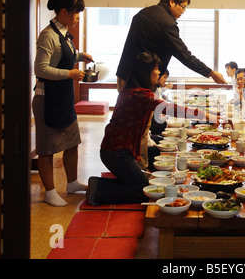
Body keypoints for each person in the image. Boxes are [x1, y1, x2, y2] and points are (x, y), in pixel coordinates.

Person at [86, 52, 217, 205]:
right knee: (144, 192)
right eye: (155, 69)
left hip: (116, 151)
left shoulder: (132, 91)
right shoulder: (141, 95)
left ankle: (98, 185)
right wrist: (206, 115)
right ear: (145, 72)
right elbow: (172, 109)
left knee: (145, 186)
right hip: (117, 154)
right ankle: (99, 189)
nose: (158, 72)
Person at [32, 0, 93, 206]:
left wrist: (79, 55)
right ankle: (49, 192)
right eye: (76, 13)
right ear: (65, 12)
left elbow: (62, 54)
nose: (78, 18)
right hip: (47, 98)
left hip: (63, 97)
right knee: (47, 149)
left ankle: (72, 183)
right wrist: (70, 73)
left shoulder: (64, 32)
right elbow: (40, 69)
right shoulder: (48, 35)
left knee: (72, 141)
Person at [116, 0, 226, 92]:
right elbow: (183, 54)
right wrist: (210, 73)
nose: (183, 12)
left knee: (127, 108)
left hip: (124, 74)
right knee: (141, 111)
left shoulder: (143, 13)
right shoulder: (166, 23)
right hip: (141, 81)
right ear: (172, 2)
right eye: (183, 7)